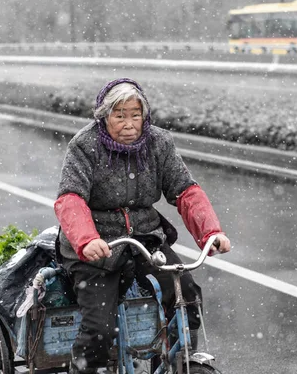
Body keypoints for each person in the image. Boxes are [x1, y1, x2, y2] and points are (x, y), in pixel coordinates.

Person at [54, 78, 231, 374]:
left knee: (186, 296)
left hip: (145, 241)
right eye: (119, 116)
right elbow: (70, 199)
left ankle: (180, 360)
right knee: (99, 330)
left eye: (135, 115)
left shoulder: (158, 142)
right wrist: (87, 240)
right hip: (99, 247)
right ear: (103, 116)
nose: (129, 124)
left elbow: (186, 191)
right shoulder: (84, 146)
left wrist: (211, 232)